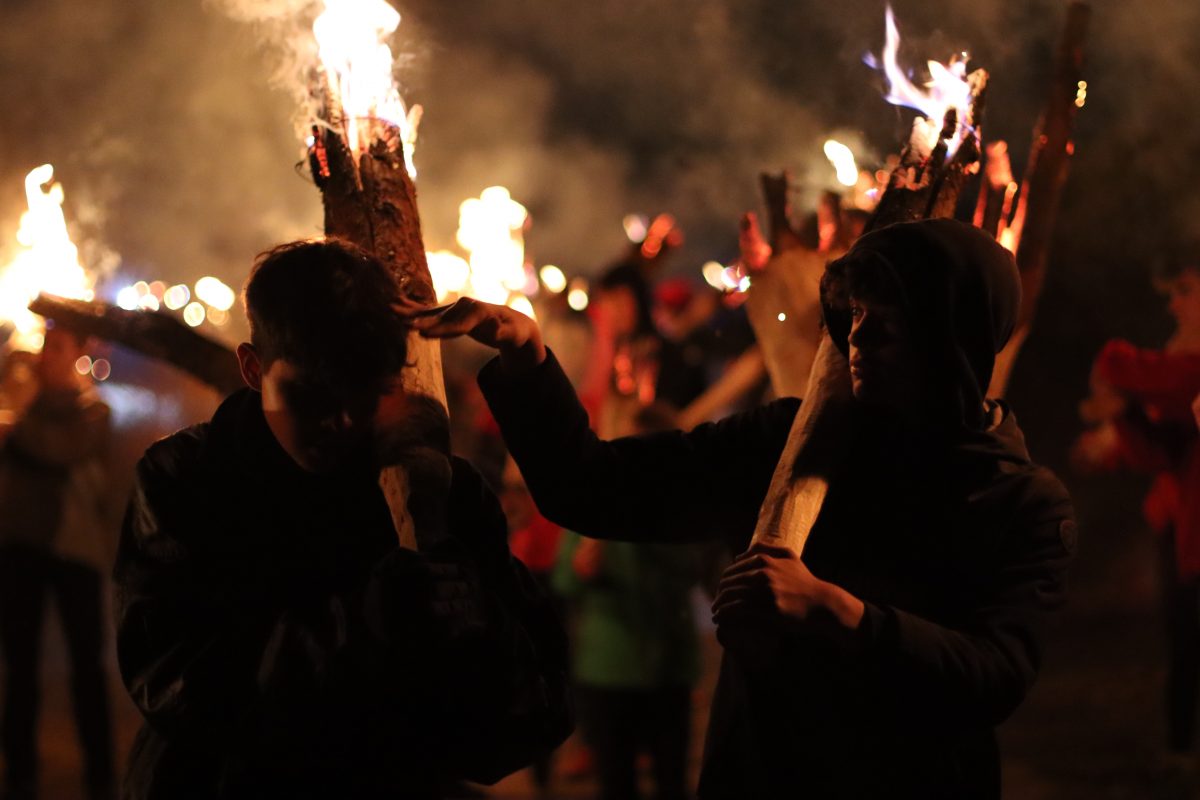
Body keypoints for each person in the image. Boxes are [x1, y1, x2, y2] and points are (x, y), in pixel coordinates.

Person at [412, 218, 1077, 798]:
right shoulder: (788, 442)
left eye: (890, 321)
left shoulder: (1023, 501)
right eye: (854, 314)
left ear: (951, 340)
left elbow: (996, 675)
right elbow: (595, 487)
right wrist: (526, 358)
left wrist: (837, 610)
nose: (858, 337)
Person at [112, 240, 571, 799]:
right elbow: (174, 684)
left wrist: (473, 627)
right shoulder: (186, 481)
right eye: (311, 395)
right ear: (253, 368)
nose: (341, 420)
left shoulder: (443, 494)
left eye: (364, 392)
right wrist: (360, 622)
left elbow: (531, 715)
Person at [1074, 249, 1200, 761]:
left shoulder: (1188, 365)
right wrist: (1122, 418)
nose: (1173, 305)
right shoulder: (1182, 355)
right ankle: (1180, 755)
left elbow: (1150, 374)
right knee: (1184, 644)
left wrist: (1112, 369)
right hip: (1180, 527)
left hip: (1193, 531)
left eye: (1185, 291)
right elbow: (1163, 452)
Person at [552, 403, 701, 800]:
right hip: (608, 666)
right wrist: (580, 569)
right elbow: (564, 580)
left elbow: (692, 569)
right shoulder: (595, 504)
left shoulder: (683, 508)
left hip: (668, 665)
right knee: (616, 781)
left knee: (672, 779)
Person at [0, 324, 116, 800]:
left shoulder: (93, 410)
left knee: (87, 667)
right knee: (20, 667)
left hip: (75, 552)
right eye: (46, 344)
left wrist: (17, 416)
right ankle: (20, 774)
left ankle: (101, 777)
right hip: (20, 548)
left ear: (77, 354)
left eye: (58, 347)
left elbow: (55, 449)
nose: (46, 354)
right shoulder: (20, 402)